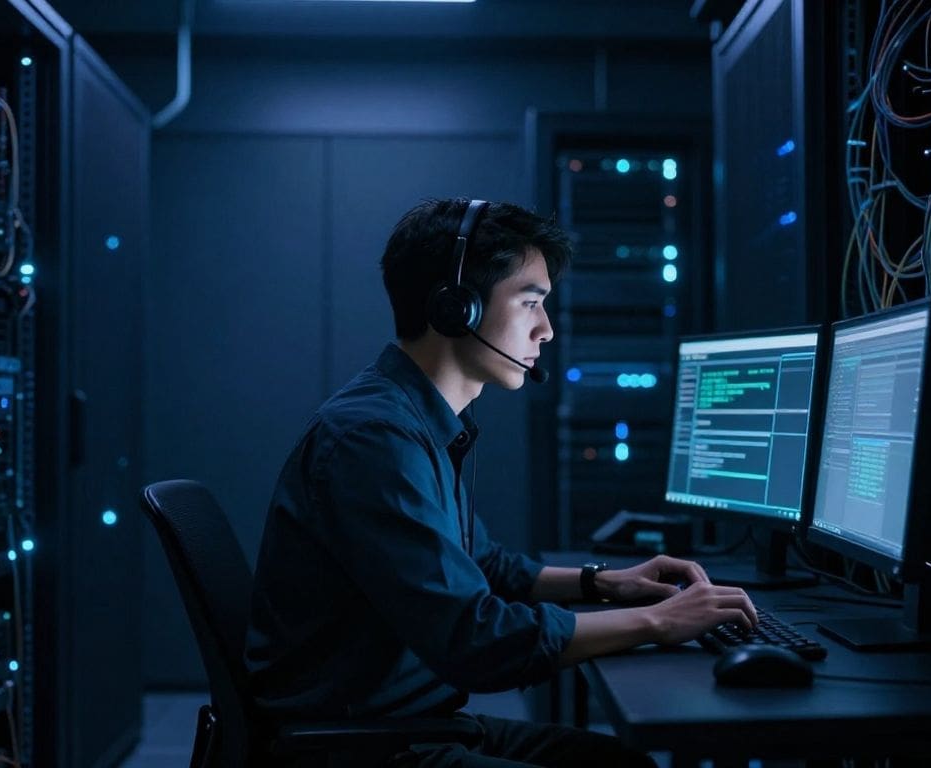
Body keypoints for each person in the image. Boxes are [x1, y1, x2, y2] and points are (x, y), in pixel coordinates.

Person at [245, 198, 758, 767]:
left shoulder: (417, 422)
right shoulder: (373, 439)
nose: (546, 330)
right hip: (363, 747)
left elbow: (483, 565)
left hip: (410, 723)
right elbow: (475, 642)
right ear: (455, 308)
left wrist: (606, 584)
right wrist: (658, 621)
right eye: (531, 302)